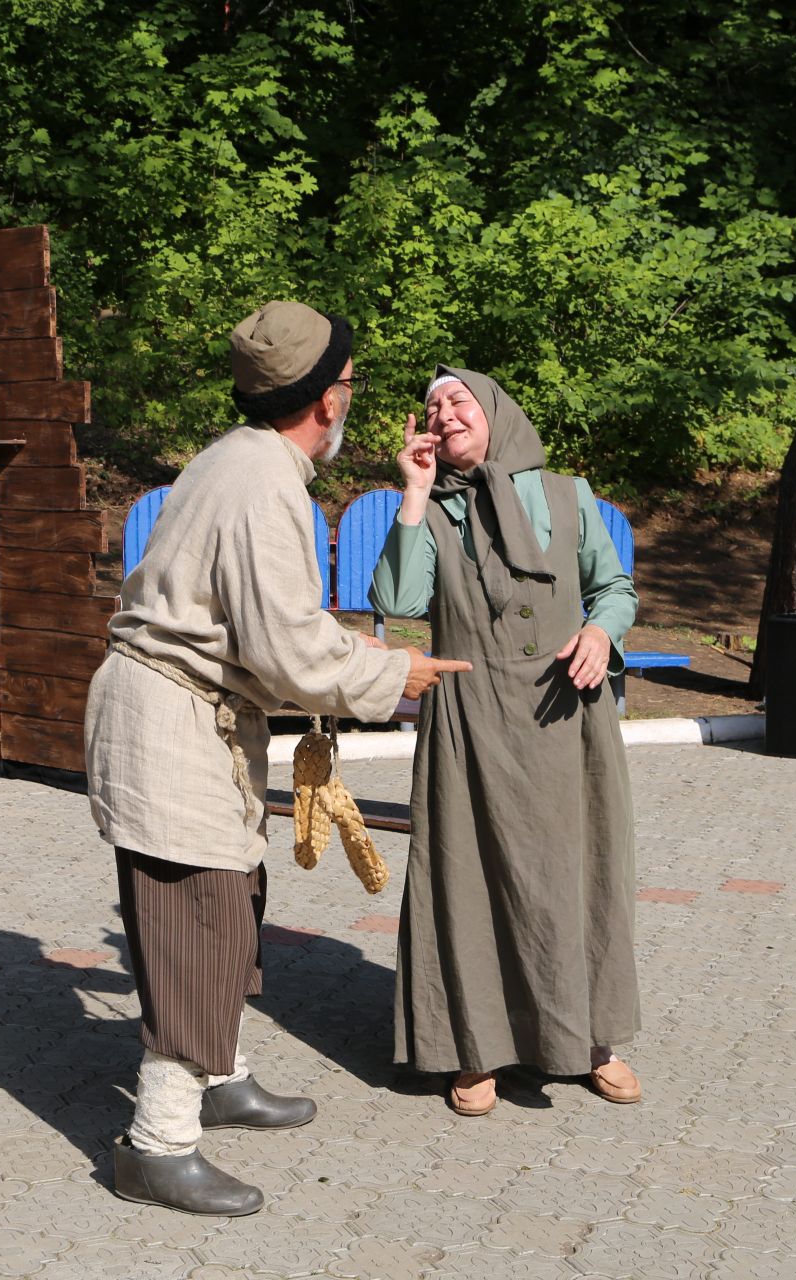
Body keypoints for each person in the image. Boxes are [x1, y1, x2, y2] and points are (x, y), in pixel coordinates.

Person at [85, 304, 470, 1216]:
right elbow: (287, 650)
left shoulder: (237, 455)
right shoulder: (267, 485)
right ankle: (157, 1145)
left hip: (187, 718)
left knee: (234, 901)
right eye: (349, 384)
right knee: (199, 928)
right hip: (173, 726)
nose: (350, 399)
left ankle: (222, 1076)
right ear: (326, 399)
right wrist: (395, 673)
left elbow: (265, 623)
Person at [370, 365, 642, 1118]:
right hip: (469, 716)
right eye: (432, 404)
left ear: (495, 412)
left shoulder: (566, 495)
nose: (443, 410)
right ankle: (475, 1047)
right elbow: (396, 601)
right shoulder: (434, 508)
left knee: (576, 873)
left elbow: (615, 590)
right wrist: (416, 495)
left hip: (566, 714)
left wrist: (598, 630)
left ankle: (590, 1041)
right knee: (469, 881)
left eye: (457, 398)